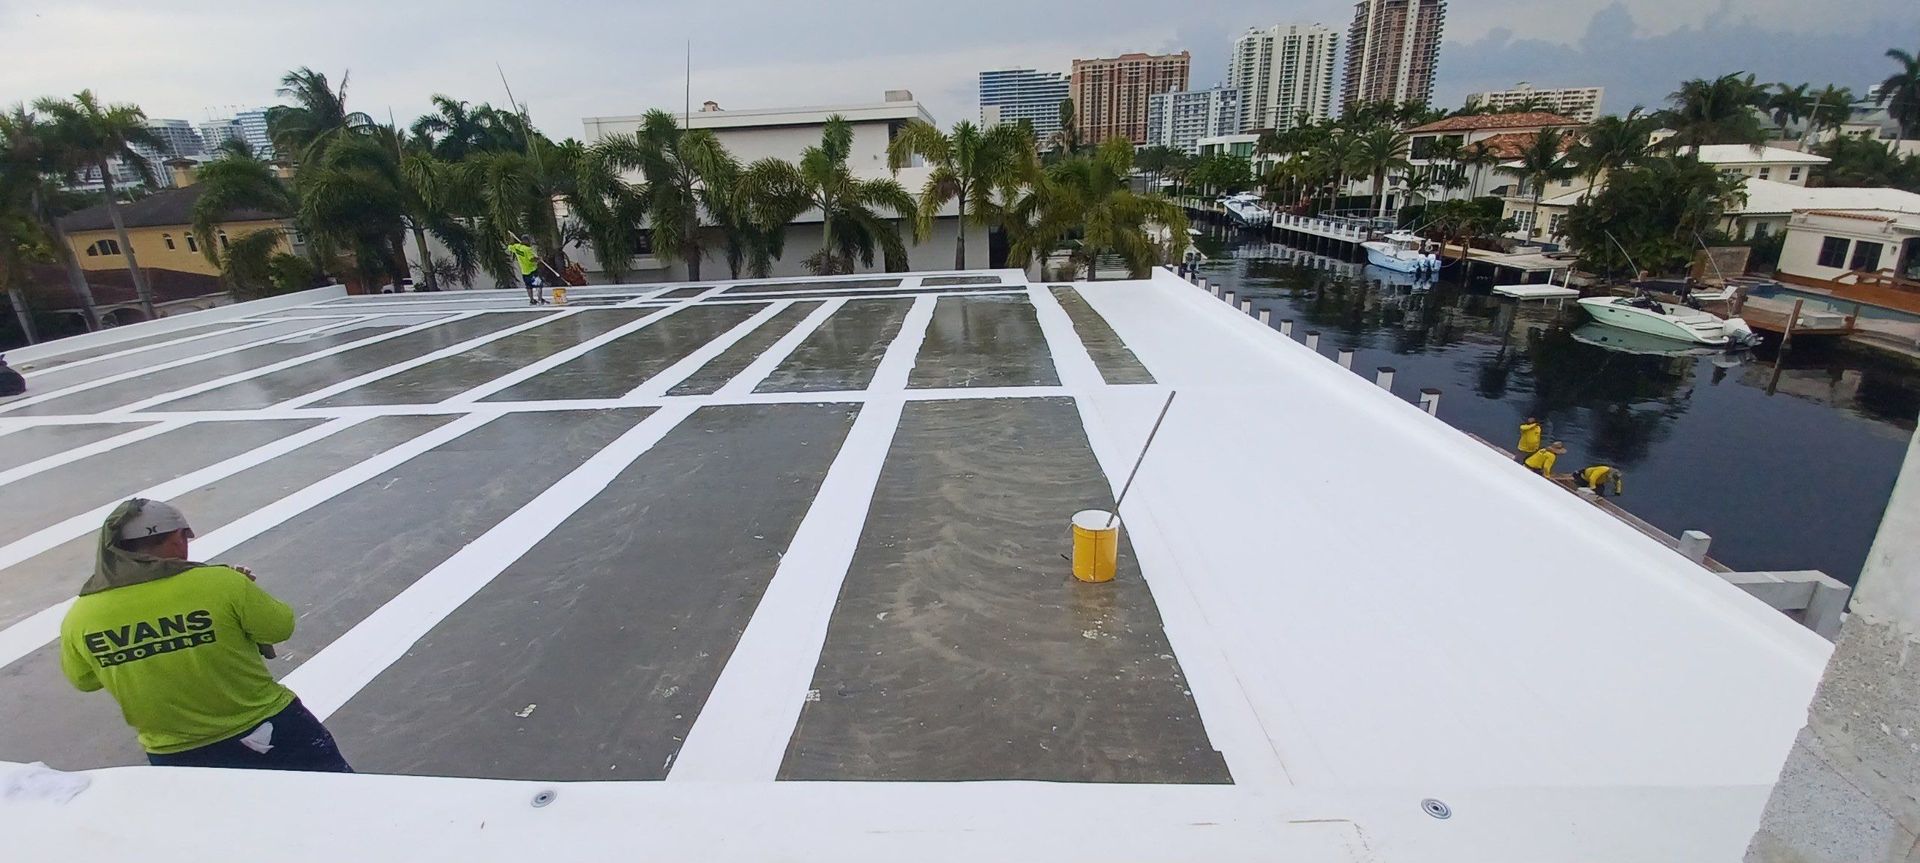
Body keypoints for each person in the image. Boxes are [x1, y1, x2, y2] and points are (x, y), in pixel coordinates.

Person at [58, 499, 351, 772]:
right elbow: (278, 627)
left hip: (175, 753)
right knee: (343, 802)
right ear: (175, 539)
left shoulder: (81, 616)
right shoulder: (221, 583)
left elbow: (85, 680)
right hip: (267, 729)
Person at [505, 235, 546, 305]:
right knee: (539, 285)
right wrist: (539, 259)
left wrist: (511, 239)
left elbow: (509, 247)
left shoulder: (516, 247)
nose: (530, 242)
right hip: (532, 270)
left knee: (528, 286)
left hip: (524, 271)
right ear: (526, 241)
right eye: (529, 240)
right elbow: (531, 259)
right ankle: (540, 299)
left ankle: (532, 300)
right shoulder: (527, 249)